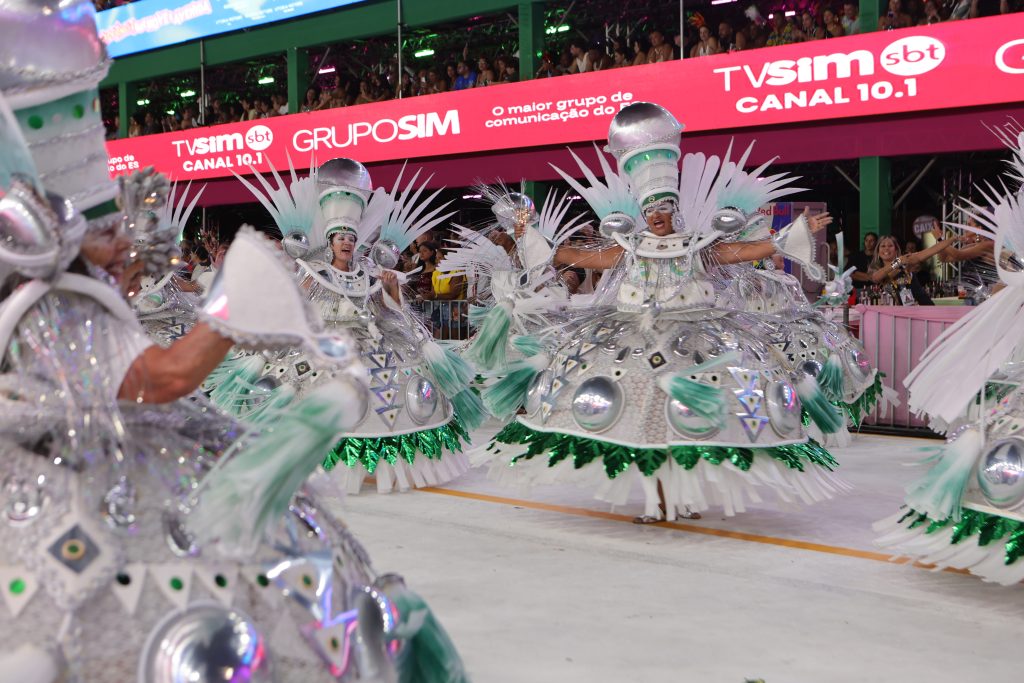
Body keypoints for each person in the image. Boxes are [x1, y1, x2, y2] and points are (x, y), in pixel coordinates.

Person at [479, 102, 866, 524]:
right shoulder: (628, 250)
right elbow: (571, 256)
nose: (657, 217)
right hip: (633, 346)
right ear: (642, 214)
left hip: (696, 346)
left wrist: (792, 235)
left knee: (688, 421)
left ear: (673, 209)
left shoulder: (699, 247)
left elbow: (746, 251)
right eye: (649, 210)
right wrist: (527, 234)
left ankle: (681, 496)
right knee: (644, 422)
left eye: (663, 208)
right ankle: (656, 499)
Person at [211, 157, 486, 493]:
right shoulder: (313, 271)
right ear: (330, 240)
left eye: (351, 238)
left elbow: (389, 315)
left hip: (371, 341)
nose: (346, 243)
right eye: (340, 236)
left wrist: (391, 293)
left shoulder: (369, 274)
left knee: (399, 381)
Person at [875, 132, 1024, 586]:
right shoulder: (1012, 228)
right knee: (999, 418)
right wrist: (945, 243)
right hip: (1013, 335)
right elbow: (970, 256)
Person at [867, 230, 956, 304]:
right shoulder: (876, 268)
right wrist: (897, 262)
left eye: (890, 246)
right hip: (895, 314)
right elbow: (876, 277)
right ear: (878, 252)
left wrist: (953, 238)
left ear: (896, 250)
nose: (886, 249)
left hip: (921, 310)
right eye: (883, 246)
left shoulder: (906, 261)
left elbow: (931, 250)